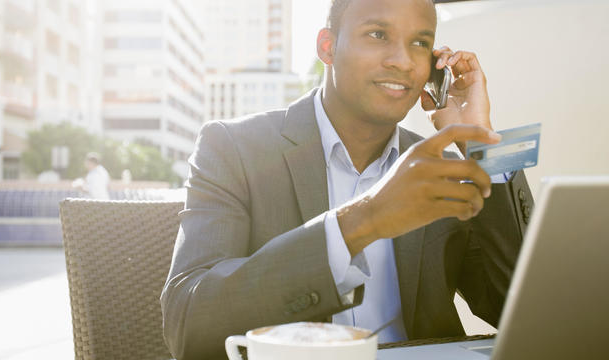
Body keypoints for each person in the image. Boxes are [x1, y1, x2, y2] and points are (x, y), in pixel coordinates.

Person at [161, 0, 534, 358]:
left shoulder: (441, 166)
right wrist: (360, 221)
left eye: (420, 43)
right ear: (327, 46)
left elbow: (523, 310)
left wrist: (483, 144)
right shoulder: (233, 147)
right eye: (377, 35)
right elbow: (188, 328)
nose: (403, 61)